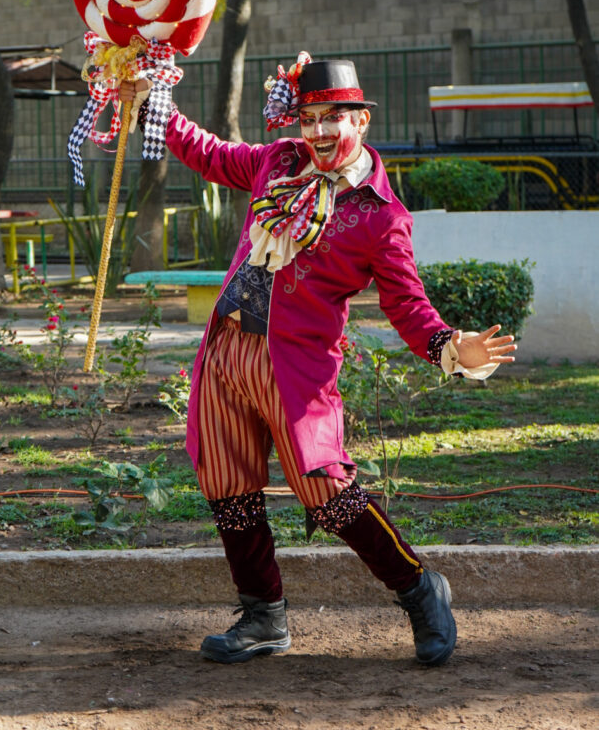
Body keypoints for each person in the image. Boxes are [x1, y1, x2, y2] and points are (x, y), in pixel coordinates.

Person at [119, 56, 516, 668]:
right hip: (226, 352)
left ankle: (418, 589)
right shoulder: (277, 162)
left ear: (361, 119)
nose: (321, 131)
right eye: (310, 117)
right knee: (230, 488)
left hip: (295, 368)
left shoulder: (381, 216)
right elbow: (208, 153)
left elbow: (407, 306)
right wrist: (153, 101)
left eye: (335, 117)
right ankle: (263, 618)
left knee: (329, 494)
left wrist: (447, 346)